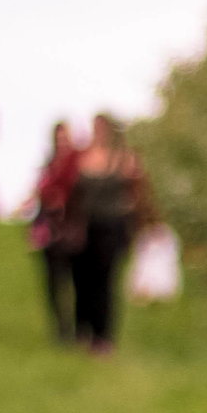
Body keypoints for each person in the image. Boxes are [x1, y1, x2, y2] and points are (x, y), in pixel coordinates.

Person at [69, 113, 148, 354]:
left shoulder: (125, 159)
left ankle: (103, 337)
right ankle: (82, 329)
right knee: (82, 280)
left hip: (112, 226)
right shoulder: (83, 157)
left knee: (103, 281)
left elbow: (138, 195)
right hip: (85, 226)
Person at [27, 121, 81, 343]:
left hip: (71, 231)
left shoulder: (77, 166)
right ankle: (60, 329)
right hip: (50, 232)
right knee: (52, 283)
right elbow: (40, 198)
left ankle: (76, 327)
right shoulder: (48, 167)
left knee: (74, 282)